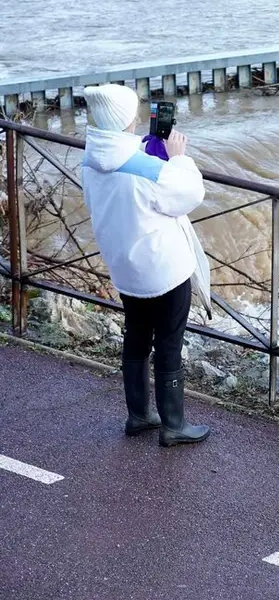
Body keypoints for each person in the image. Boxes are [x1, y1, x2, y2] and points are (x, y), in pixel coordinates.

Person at [81, 84, 212, 447]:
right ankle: (174, 425)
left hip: (125, 268)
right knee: (169, 343)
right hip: (165, 270)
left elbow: (117, 179)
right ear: (125, 119)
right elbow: (188, 194)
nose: (139, 118)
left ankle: (139, 416)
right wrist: (178, 157)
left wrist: (149, 150)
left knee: (136, 337)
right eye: (134, 113)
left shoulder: (91, 162)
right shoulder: (149, 170)